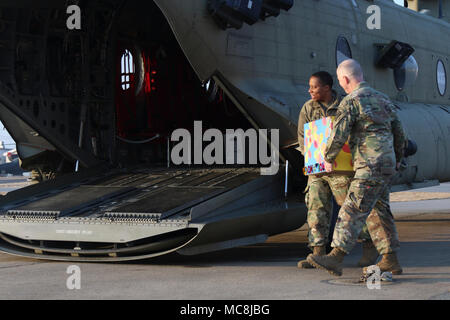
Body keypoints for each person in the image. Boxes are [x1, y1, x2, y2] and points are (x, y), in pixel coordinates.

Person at [307, 59, 407, 276]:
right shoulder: (383, 98)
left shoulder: (351, 101)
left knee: (352, 208)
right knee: (381, 211)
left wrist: (328, 157)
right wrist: (398, 158)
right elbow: (399, 132)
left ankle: (336, 256)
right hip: (387, 164)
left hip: (369, 164)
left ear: (344, 79)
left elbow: (339, 133)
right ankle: (390, 258)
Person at [297, 71, 377, 269]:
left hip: (341, 167)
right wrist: (312, 159)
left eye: (314, 87)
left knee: (349, 208)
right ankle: (317, 253)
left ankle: (369, 244)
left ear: (327, 88)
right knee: (316, 207)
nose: (310, 90)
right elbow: (302, 137)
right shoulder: (308, 108)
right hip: (317, 168)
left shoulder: (345, 104)